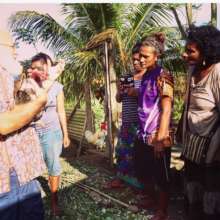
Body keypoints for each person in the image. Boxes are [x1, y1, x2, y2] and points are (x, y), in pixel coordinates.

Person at [0, 30, 63, 220]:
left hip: (22, 170)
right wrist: (39, 101)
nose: (16, 52)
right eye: (12, 47)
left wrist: (47, 83)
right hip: (6, 177)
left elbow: (21, 110)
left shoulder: (7, 78)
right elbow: (4, 123)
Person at [177, 25, 220, 220]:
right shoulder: (193, 70)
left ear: (207, 51)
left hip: (212, 152)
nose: (184, 55)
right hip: (193, 147)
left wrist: (214, 152)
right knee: (193, 189)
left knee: (211, 194)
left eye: (190, 51)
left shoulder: (217, 73)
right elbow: (188, 106)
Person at [134, 33, 174, 220]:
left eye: (145, 56)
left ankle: (162, 211)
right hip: (143, 135)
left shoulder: (163, 76)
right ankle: (151, 200)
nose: (141, 59)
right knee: (143, 171)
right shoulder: (145, 76)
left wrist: (160, 139)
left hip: (159, 135)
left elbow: (166, 110)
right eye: (140, 55)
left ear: (156, 57)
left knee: (161, 177)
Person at [29, 53, 70, 216]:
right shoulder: (29, 86)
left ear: (48, 68)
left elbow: (61, 111)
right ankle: (32, 198)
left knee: (53, 165)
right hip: (31, 133)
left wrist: (66, 134)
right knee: (32, 168)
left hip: (51, 133)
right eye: (32, 68)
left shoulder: (57, 87)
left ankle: (54, 202)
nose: (35, 71)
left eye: (39, 68)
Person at [105, 42, 146, 189]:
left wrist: (136, 93)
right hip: (127, 122)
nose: (135, 62)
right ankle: (121, 179)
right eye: (133, 59)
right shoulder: (127, 77)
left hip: (142, 123)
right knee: (123, 151)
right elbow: (118, 99)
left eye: (138, 59)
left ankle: (139, 183)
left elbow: (150, 99)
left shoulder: (148, 78)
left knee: (138, 154)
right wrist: (121, 92)